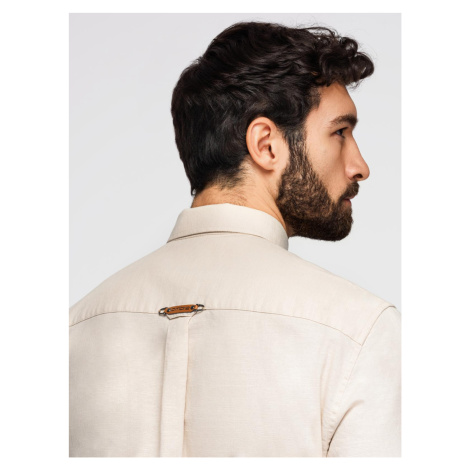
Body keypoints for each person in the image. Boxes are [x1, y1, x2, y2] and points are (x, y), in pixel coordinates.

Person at [69, 21, 401, 457]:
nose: (360, 166)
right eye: (339, 132)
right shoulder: (361, 331)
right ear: (266, 144)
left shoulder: (72, 331)